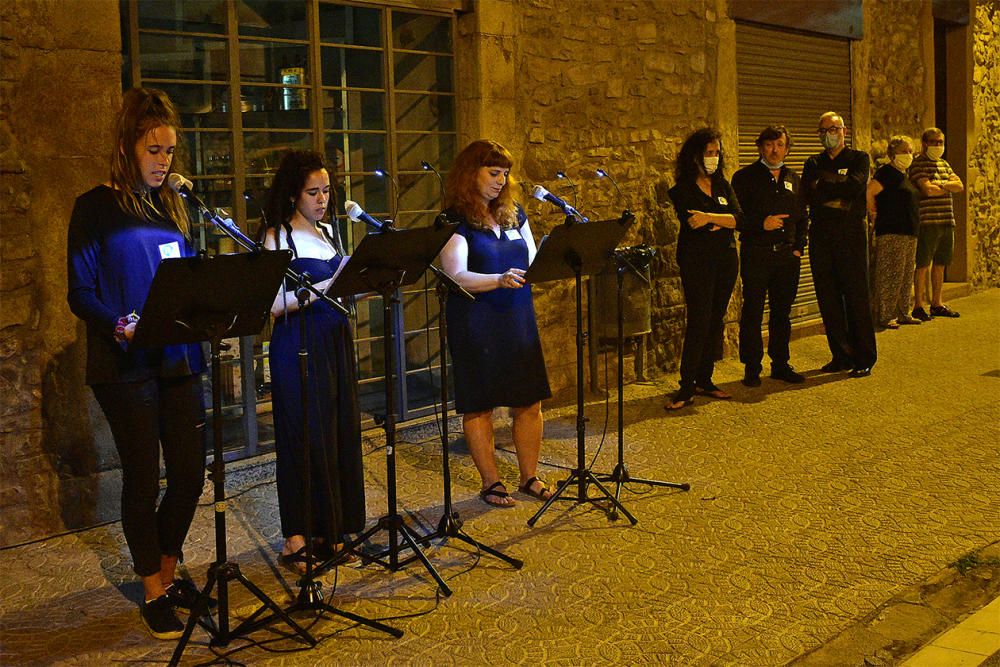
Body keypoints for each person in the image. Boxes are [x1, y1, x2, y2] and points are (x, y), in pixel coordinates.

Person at [67, 87, 206, 640]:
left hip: (177, 356)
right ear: (127, 148)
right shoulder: (94, 207)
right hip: (124, 361)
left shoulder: (172, 207)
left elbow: (188, 280)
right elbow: (80, 291)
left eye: (170, 151)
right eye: (154, 151)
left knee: (192, 473)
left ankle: (169, 569)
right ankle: (152, 587)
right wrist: (117, 323)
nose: (164, 161)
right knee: (144, 475)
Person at [261, 150, 365, 573]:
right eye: (313, 192)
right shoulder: (276, 237)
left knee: (335, 432)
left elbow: (344, 289)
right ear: (293, 194)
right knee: (302, 436)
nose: (322, 199)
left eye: (327, 191)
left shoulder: (328, 233)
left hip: (334, 342)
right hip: (297, 344)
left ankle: (333, 528)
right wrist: (324, 285)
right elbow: (271, 304)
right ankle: (297, 535)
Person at [438, 140, 553, 507]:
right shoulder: (454, 220)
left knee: (529, 400)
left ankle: (529, 476)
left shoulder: (515, 214)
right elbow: (455, 274)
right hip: (476, 319)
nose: (501, 181)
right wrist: (497, 279)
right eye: (493, 172)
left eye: (505, 173)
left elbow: (533, 260)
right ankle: (491, 482)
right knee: (480, 404)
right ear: (470, 173)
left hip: (517, 315)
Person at [666, 128, 742, 409]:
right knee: (699, 320)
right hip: (697, 261)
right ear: (695, 156)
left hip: (726, 259)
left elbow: (739, 219)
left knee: (716, 319)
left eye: (717, 152)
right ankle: (686, 386)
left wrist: (712, 218)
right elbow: (693, 223)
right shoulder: (682, 189)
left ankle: (705, 379)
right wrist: (722, 221)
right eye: (709, 152)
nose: (713, 157)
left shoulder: (722, 184)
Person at [731, 125, 808, 387]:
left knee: (781, 313)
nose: (774, 150)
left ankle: (780, 364)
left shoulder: (794, 178)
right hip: (757, 254)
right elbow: (736, 217)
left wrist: (799, 247)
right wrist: (760, 223)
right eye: (769, 145)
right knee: (752, 311)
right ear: (760, 147)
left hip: (787, 257)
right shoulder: (744, 178)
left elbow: (802, 217)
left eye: (779, 145)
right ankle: (752, 367)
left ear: (787, 148)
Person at [801, 112, 877, 377]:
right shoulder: (812, 162)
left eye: (832, 129)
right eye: (822, 130)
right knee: (828, 297)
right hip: (821, 237)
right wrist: (836, 193)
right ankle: (841, 355)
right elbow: (808, 193)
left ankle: (864, 356)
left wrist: (825, 187)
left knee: (856, 296)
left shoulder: (859, 158)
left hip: (851, 236)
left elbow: (855, 187)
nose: (827, 135)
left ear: (843, 131)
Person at [867, 135, 922, 329]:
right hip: (892, 230)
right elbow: (870, 192)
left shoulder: (903, 175)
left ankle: (902, 312)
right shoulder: (886, 173)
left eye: (910, 151)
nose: (909, 155)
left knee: (906, 273)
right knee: (890, 273)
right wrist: (873, 212)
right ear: (893, 153)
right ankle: (885, 314)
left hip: (909, 231)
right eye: (904, 151)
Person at [909, 127, 964, 320]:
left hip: (946, 220)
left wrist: (938, 185)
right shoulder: (918, 165)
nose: (938, 146)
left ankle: (937, 303)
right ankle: (918, 305)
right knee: (923, 263)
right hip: (927, 221)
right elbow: (927, 190)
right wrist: (946, 186)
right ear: (925, 144)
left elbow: (959, 186)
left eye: (941, 142)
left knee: (941, 263)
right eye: (934, 142)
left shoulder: (944, 164)